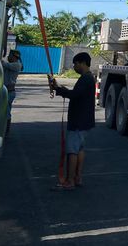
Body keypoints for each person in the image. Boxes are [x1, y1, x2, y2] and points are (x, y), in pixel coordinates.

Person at [48, 52, 96, 190]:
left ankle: (69, 181)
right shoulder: (88, 78)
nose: (74, 66)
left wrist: (58, 89)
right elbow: (77, 94)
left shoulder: (85, 79)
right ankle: (77, 177)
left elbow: (74, 95)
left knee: (72, 151)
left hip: (78, 121)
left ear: (82, 63)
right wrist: (60, 88)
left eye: (75, 64)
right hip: (85, 121)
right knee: (80, 149)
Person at [2, 49, 22, 135]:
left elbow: (4, 64)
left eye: (10, 56)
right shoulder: (11, 64)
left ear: (14, 57)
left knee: (7, 112)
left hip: (9, 92)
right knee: (4, 111)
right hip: (6, 91)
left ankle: (6, 131)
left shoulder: (17, 65)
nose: (8, 57)